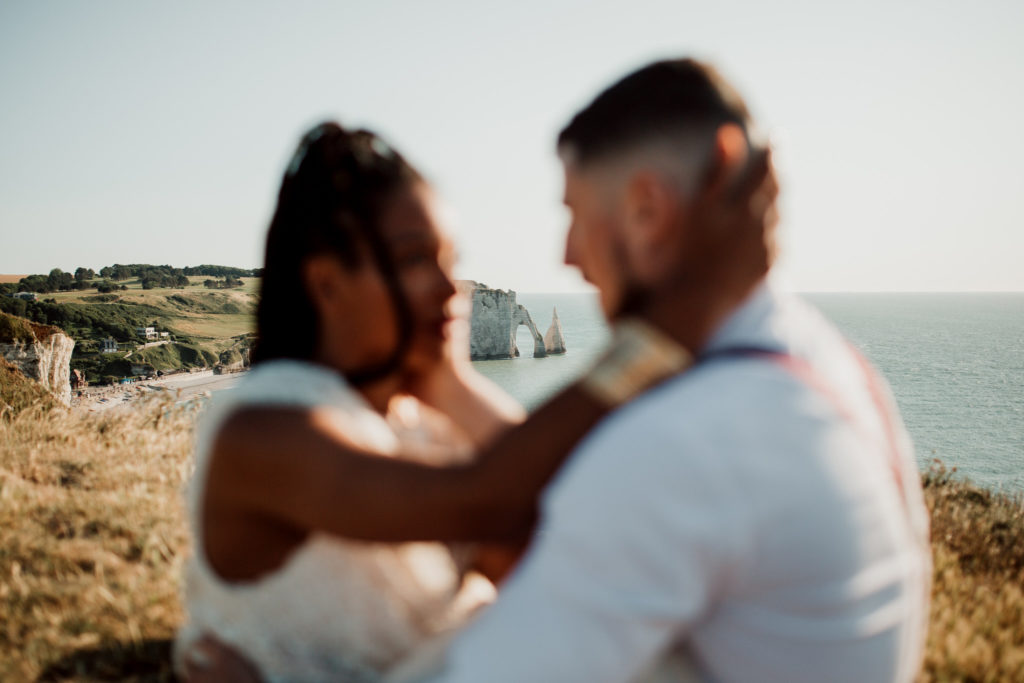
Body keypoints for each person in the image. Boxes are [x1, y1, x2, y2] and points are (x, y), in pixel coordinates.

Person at [175, 122, 529, 681]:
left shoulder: (415, 422)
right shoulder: (269, 429)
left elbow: (551, 533)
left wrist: (451, 389)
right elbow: (485, 501)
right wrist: (646, 350)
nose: (451, 289)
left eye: (451, 261)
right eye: (416, 260)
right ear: (327, 284)